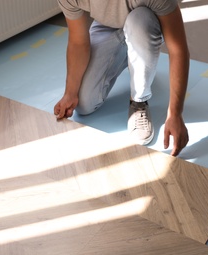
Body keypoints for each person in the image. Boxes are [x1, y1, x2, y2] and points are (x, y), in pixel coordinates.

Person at [53, 0, 189, 157]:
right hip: (107, 27)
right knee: (84, 104)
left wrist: (175, 113)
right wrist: (70, 92)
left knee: (139, 21)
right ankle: (133, 57)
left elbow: (178, 50)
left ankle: (139, 100)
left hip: (144, 22)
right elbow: (78, 42)